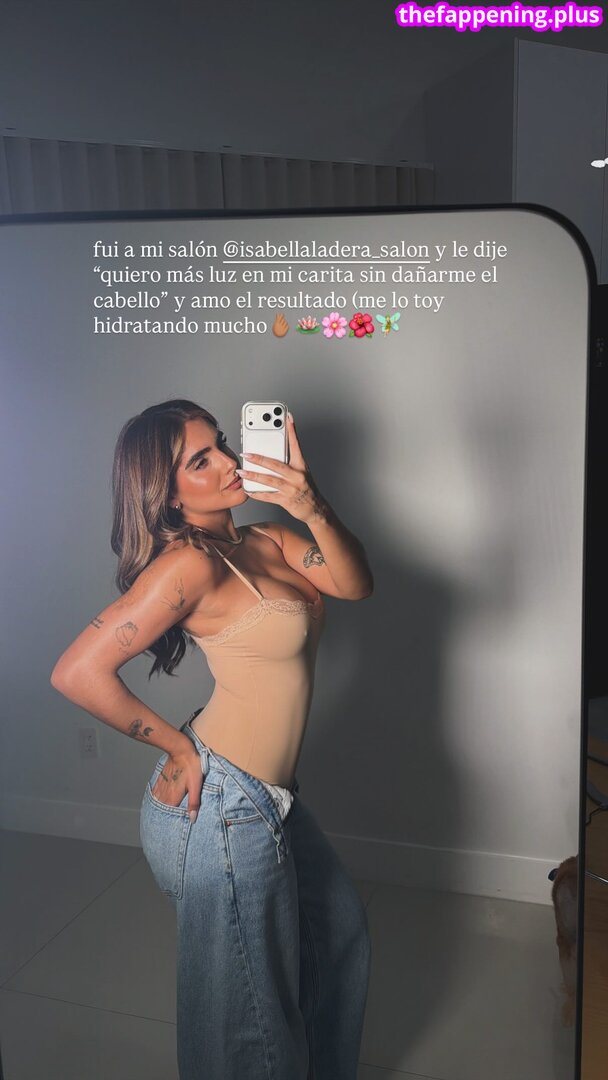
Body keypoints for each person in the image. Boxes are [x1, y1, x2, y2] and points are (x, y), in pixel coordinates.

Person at [50, 398, 373, 1080]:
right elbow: (77, 672)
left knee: (335, 936)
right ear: (166, 494)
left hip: (271, 800)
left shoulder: (266, 538)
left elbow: (355, 584)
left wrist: (311, 505)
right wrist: (176, 747)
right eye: (201, 460)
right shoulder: (187, 566)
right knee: (248, 1028)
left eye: (222, 443)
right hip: (223, 808)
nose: (228, 462)